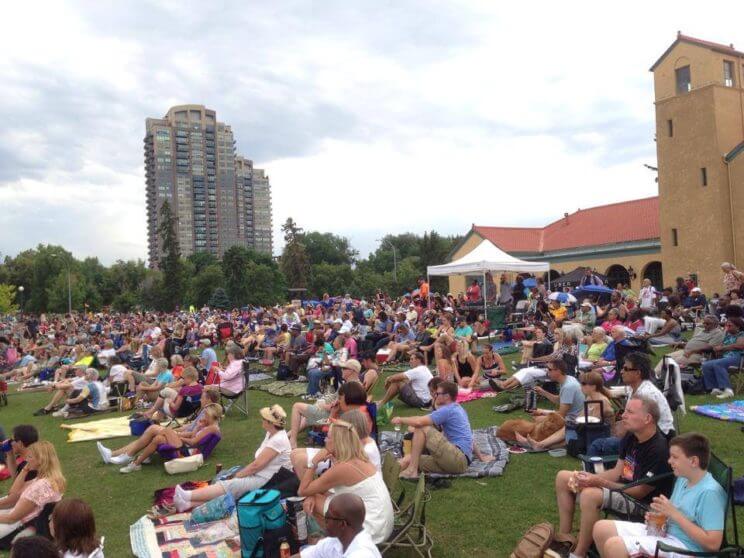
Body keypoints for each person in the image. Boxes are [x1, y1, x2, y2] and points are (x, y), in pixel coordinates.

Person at [554, 397, 674, 558]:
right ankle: (565, 539)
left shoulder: (658, 450)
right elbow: (618, 472)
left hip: (644, 505)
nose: (623, 415)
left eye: (630, 412)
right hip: (624, 488)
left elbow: (639, 492)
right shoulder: (631, 436)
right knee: (563, 477)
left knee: (590, 495)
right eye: (625, 411)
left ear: (647, 419)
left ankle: (579, 554)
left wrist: (598, 482)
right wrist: (588, 477)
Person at [593, 433, 726, 558]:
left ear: (693, 461)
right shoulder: (684, 479)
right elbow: (674, 514)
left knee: (615, 546)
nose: (669, 461)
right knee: (601, 529)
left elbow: (713, 544)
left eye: (675, 457)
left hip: (686, 549)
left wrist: (674, 514)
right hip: (668, 534)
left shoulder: (710, 493)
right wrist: (659, 518)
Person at [174, 405, 291, 511]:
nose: (262, 420)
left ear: (271, 422)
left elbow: (256, 466)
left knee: (231, 484)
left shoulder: (278, 440)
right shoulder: (271, 433)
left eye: (264, 419)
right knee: (230, 483)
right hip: (263, 475)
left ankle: (188, 495)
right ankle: (189, 503)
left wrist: (238, 475)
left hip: (269, 480)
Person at [297, 420, 393, 544]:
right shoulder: (358, 458)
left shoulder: (344, 468)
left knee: (314, 502)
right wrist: (312, 494)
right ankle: (332, 540)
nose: (325, 440)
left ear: (337, 442)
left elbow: (302, 490)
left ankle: (334, 544)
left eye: (328, 437)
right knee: (317, 498)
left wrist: (314, 462)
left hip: (371, 528)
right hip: (381, 521)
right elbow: (319, 489)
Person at [588, 351, 675, 457]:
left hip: (654, 441)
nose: (621, 371)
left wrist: (621, 429)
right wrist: (596, 383)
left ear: (638, 373)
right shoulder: (634, 387)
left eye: (626, 369)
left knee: (598, 444)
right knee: (600, 435)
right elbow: (611, 393)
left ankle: (598, 469)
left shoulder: (646, 394)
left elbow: (641, 428)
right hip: (643, 435)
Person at [98, 404, 222, 473]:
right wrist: (197, 427)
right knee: (158, 438)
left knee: (160, 430)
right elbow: (193, 435)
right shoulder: (209, 426)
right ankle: (136, 463)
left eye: (206, 414)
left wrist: (177, 436)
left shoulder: (213, 428)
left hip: (188, 451)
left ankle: (129, 458)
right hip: (187, 446)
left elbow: (194, 441)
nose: (204, 416)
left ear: (213, 415)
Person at [392, 380, 472, 478]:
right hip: (458, 464)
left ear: (446, 396)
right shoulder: (458, 408)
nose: (434, 396)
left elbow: (419, 422)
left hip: (457, 457)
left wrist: (401, 419)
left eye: (437, 393)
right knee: (411, 459)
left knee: (421, 427)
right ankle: (386, 475)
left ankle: (412, 470)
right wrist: (481, 457)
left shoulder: (448, 410)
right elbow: (470, 439)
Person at [0, 441, 65, 538]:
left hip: (18, 525)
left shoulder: (39, 487)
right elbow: (13, 492)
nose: (26, 459)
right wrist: (25, 469)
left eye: (30, 457)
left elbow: (12, 518)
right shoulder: (48, 479)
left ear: (40, 460)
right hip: (22, 518)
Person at [516, 360, 585, 450]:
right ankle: (536, 440)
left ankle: (535, 442)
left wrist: (544, 413)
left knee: (540, 420)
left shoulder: (569, 387)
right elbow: (559, 400)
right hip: (573, 418)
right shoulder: (568, 379)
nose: (547, 372)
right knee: (539, 418)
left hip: (573, 421)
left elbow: (561, 415)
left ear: (558, 371)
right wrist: (543, 392)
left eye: (549, 369)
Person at [295, 493, 381, 558]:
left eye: (328, 517)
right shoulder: (335, 542)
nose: (325, 521)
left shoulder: (362, 554)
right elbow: (306, 555)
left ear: (342, 524)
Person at [289, 382, 371, 449]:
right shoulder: (359, 411)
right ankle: (291, 437)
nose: (338, 401)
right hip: (349, 451)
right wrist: (333, 411)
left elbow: (327, 430)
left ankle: (291, 438)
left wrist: (332, 413)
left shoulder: (351, 417)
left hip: (346, 454)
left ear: (347, 399)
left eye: (340, 398)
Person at [653, 315, 724, 374]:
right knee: (667, 357)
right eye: (704, 323)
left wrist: (692, 351)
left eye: (708, 324)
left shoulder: (717, 333)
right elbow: (693, 342)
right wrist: (681, 344)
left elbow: (709, 347)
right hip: (687, 351)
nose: (705, 325)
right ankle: (654, 375)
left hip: (700, 355)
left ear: (715, 324)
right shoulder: (702, 331)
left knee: (675, 362)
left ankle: (665, 381)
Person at [701, 316, 744, 399]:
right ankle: (715, 388)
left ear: (738, 326)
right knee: (706, 365)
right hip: (726, 358)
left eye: (730, 326)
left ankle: (728, 390)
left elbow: (740, 346)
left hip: (739, 357)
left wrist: (723, 348)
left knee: (718, 364)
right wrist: (717, 348)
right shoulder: (727, 335)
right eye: (726, 325)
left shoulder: (741, 334)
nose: (727, 327)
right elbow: (722, 346)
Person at [0, 425, 39, 510]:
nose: (9, 442)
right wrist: (10, 454)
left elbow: (12, 501)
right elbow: (16, 481)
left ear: (20, 443)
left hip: (31, 512)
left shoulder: (31, 466)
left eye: (12, 440)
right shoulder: (32, 458)